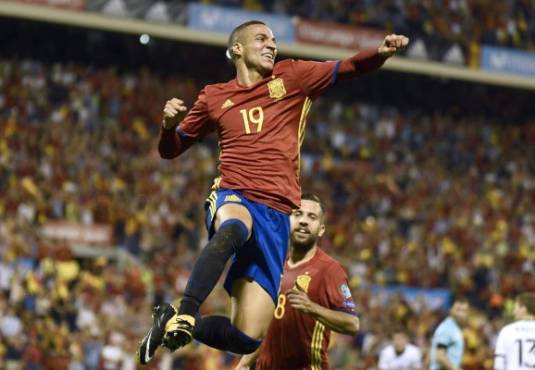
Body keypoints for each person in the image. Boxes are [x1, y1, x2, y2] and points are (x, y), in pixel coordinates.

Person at [136, 19, 409, 365]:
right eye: (261, 38)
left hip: (278, 217)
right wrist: (168, 127)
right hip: (235, 193)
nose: (271, 45)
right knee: (234, 227)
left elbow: (347, 67)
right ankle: (188, 308)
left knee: (247, 338)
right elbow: (170, 150)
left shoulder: (292, 77)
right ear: (238, 49)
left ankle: (171, 318)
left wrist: (380, 54)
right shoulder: (214, 97)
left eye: (274, 40)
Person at [236, 193, 359, 370]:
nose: (303, 221)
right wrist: (245, 363)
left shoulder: (329, 270)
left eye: (312, 217)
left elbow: (352, 324)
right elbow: (266, 324)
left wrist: (312, 308)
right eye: (298, 214)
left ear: (321, 229)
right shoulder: (275, 265)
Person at [494, 293, 535, 370]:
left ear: (523, 309)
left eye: (516, 307)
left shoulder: (507, 330)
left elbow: (499, 365)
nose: (513, 312)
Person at [429, 298, 470, 370]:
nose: (461, 314)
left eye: (464, 311)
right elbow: (440, 355)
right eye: (458, 309)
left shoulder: (455, 328)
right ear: (450, 310)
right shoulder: (447, 328)